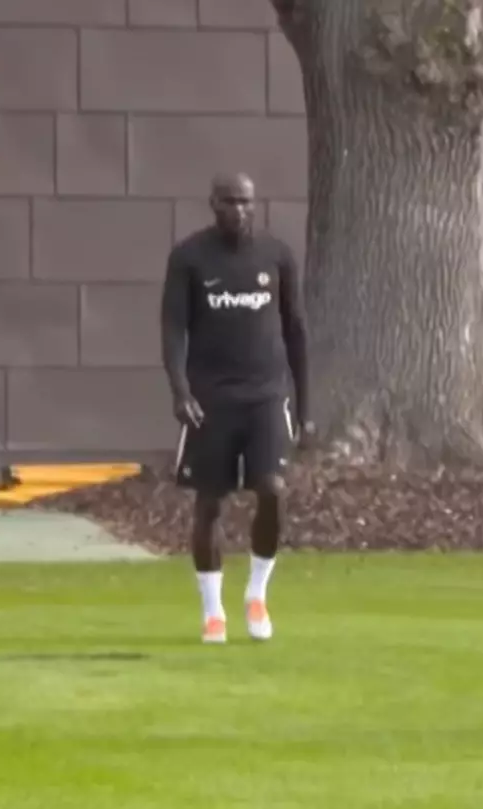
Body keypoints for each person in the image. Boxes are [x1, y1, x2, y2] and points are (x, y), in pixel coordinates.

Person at [161, 172, 313, 645]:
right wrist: (180, 389)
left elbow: (296, 331)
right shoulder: (189, 258)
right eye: (231, 202)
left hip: (266, 396)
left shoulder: (276, 255)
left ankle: (257, 593)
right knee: (210, 504)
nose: (241, 211)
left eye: (247, 203)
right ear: (213, 204)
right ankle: (213, 612)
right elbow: (172, 329)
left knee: (272, 490)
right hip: (211, 401)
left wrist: (305, 407)